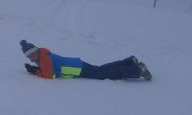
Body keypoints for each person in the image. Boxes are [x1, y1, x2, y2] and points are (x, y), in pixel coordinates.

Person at [20, 40, 152, 80]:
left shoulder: (44, 59)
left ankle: (138, 70)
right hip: (77, 65)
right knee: (101, 69)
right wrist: (37, 68)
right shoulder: (43, 55)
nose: (31, 58)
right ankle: (130, 61)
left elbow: (50, 76)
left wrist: (35, 71)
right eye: (28, 56)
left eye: (32, 54)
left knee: (106, 74)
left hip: (77, 69)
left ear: (36, 50)